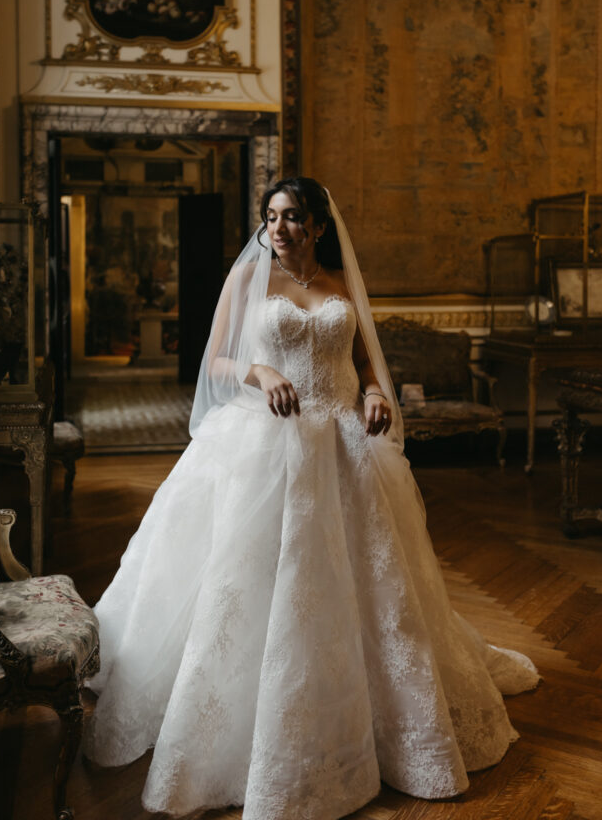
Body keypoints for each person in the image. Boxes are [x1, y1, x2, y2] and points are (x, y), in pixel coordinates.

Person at [83, 177, 539, 819]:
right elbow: (214, 361)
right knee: (247, 586)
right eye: (271, 217)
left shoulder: (342, 283)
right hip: (265, 449)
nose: (279, 228)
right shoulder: (248, 282)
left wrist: (377, 395)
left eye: (293, 217)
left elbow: (366, 361)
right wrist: (261, 371)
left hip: (343, 446)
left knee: (367, 592)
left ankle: (380, 729)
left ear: (318, 226)